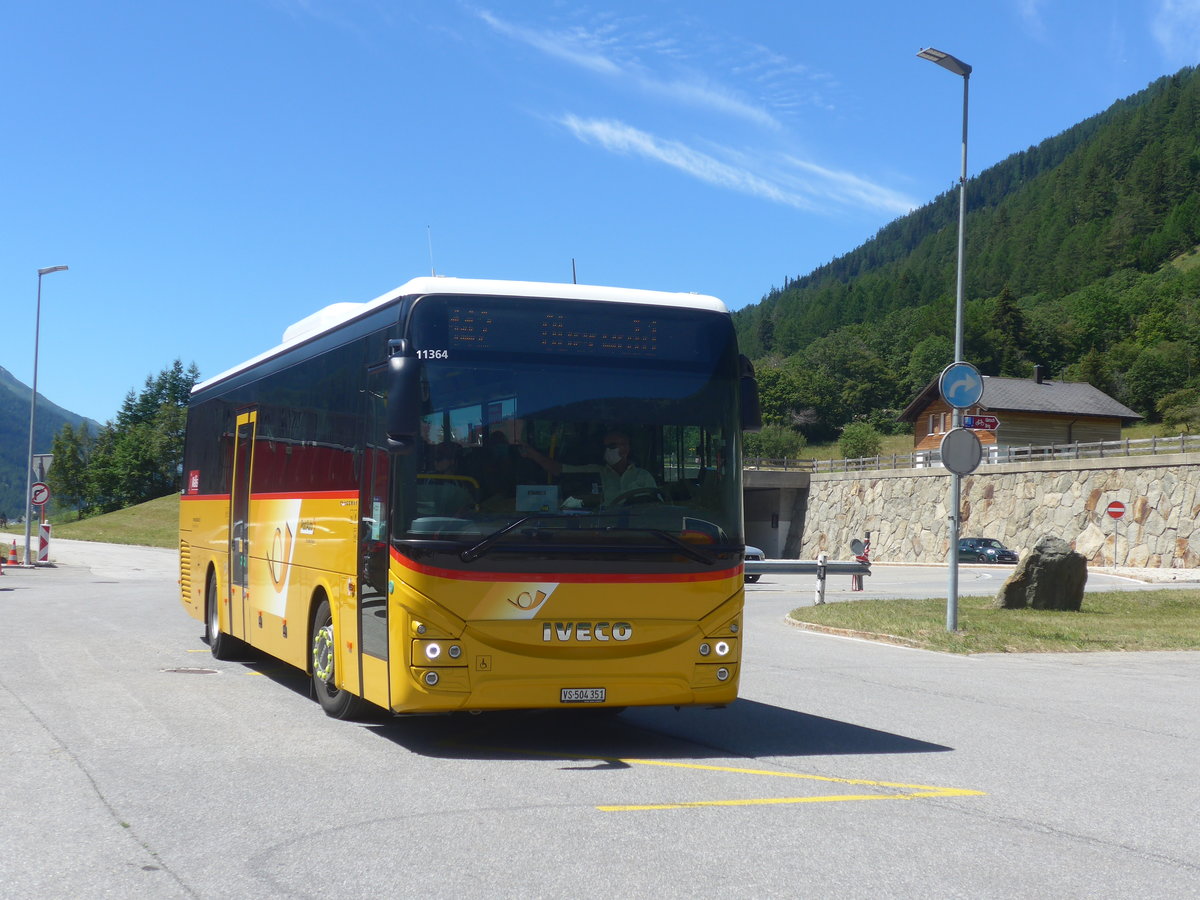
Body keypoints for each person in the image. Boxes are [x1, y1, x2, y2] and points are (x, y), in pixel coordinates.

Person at [520, 430, 657, 505]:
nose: (611, 450)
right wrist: (532, 454)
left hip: (639, 534)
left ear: (627, 449)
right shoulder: (594, 471)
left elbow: (657, 509)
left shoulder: (643, 476)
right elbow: (558, 469)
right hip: (599, 532)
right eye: (608, 447)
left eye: (615, 446)